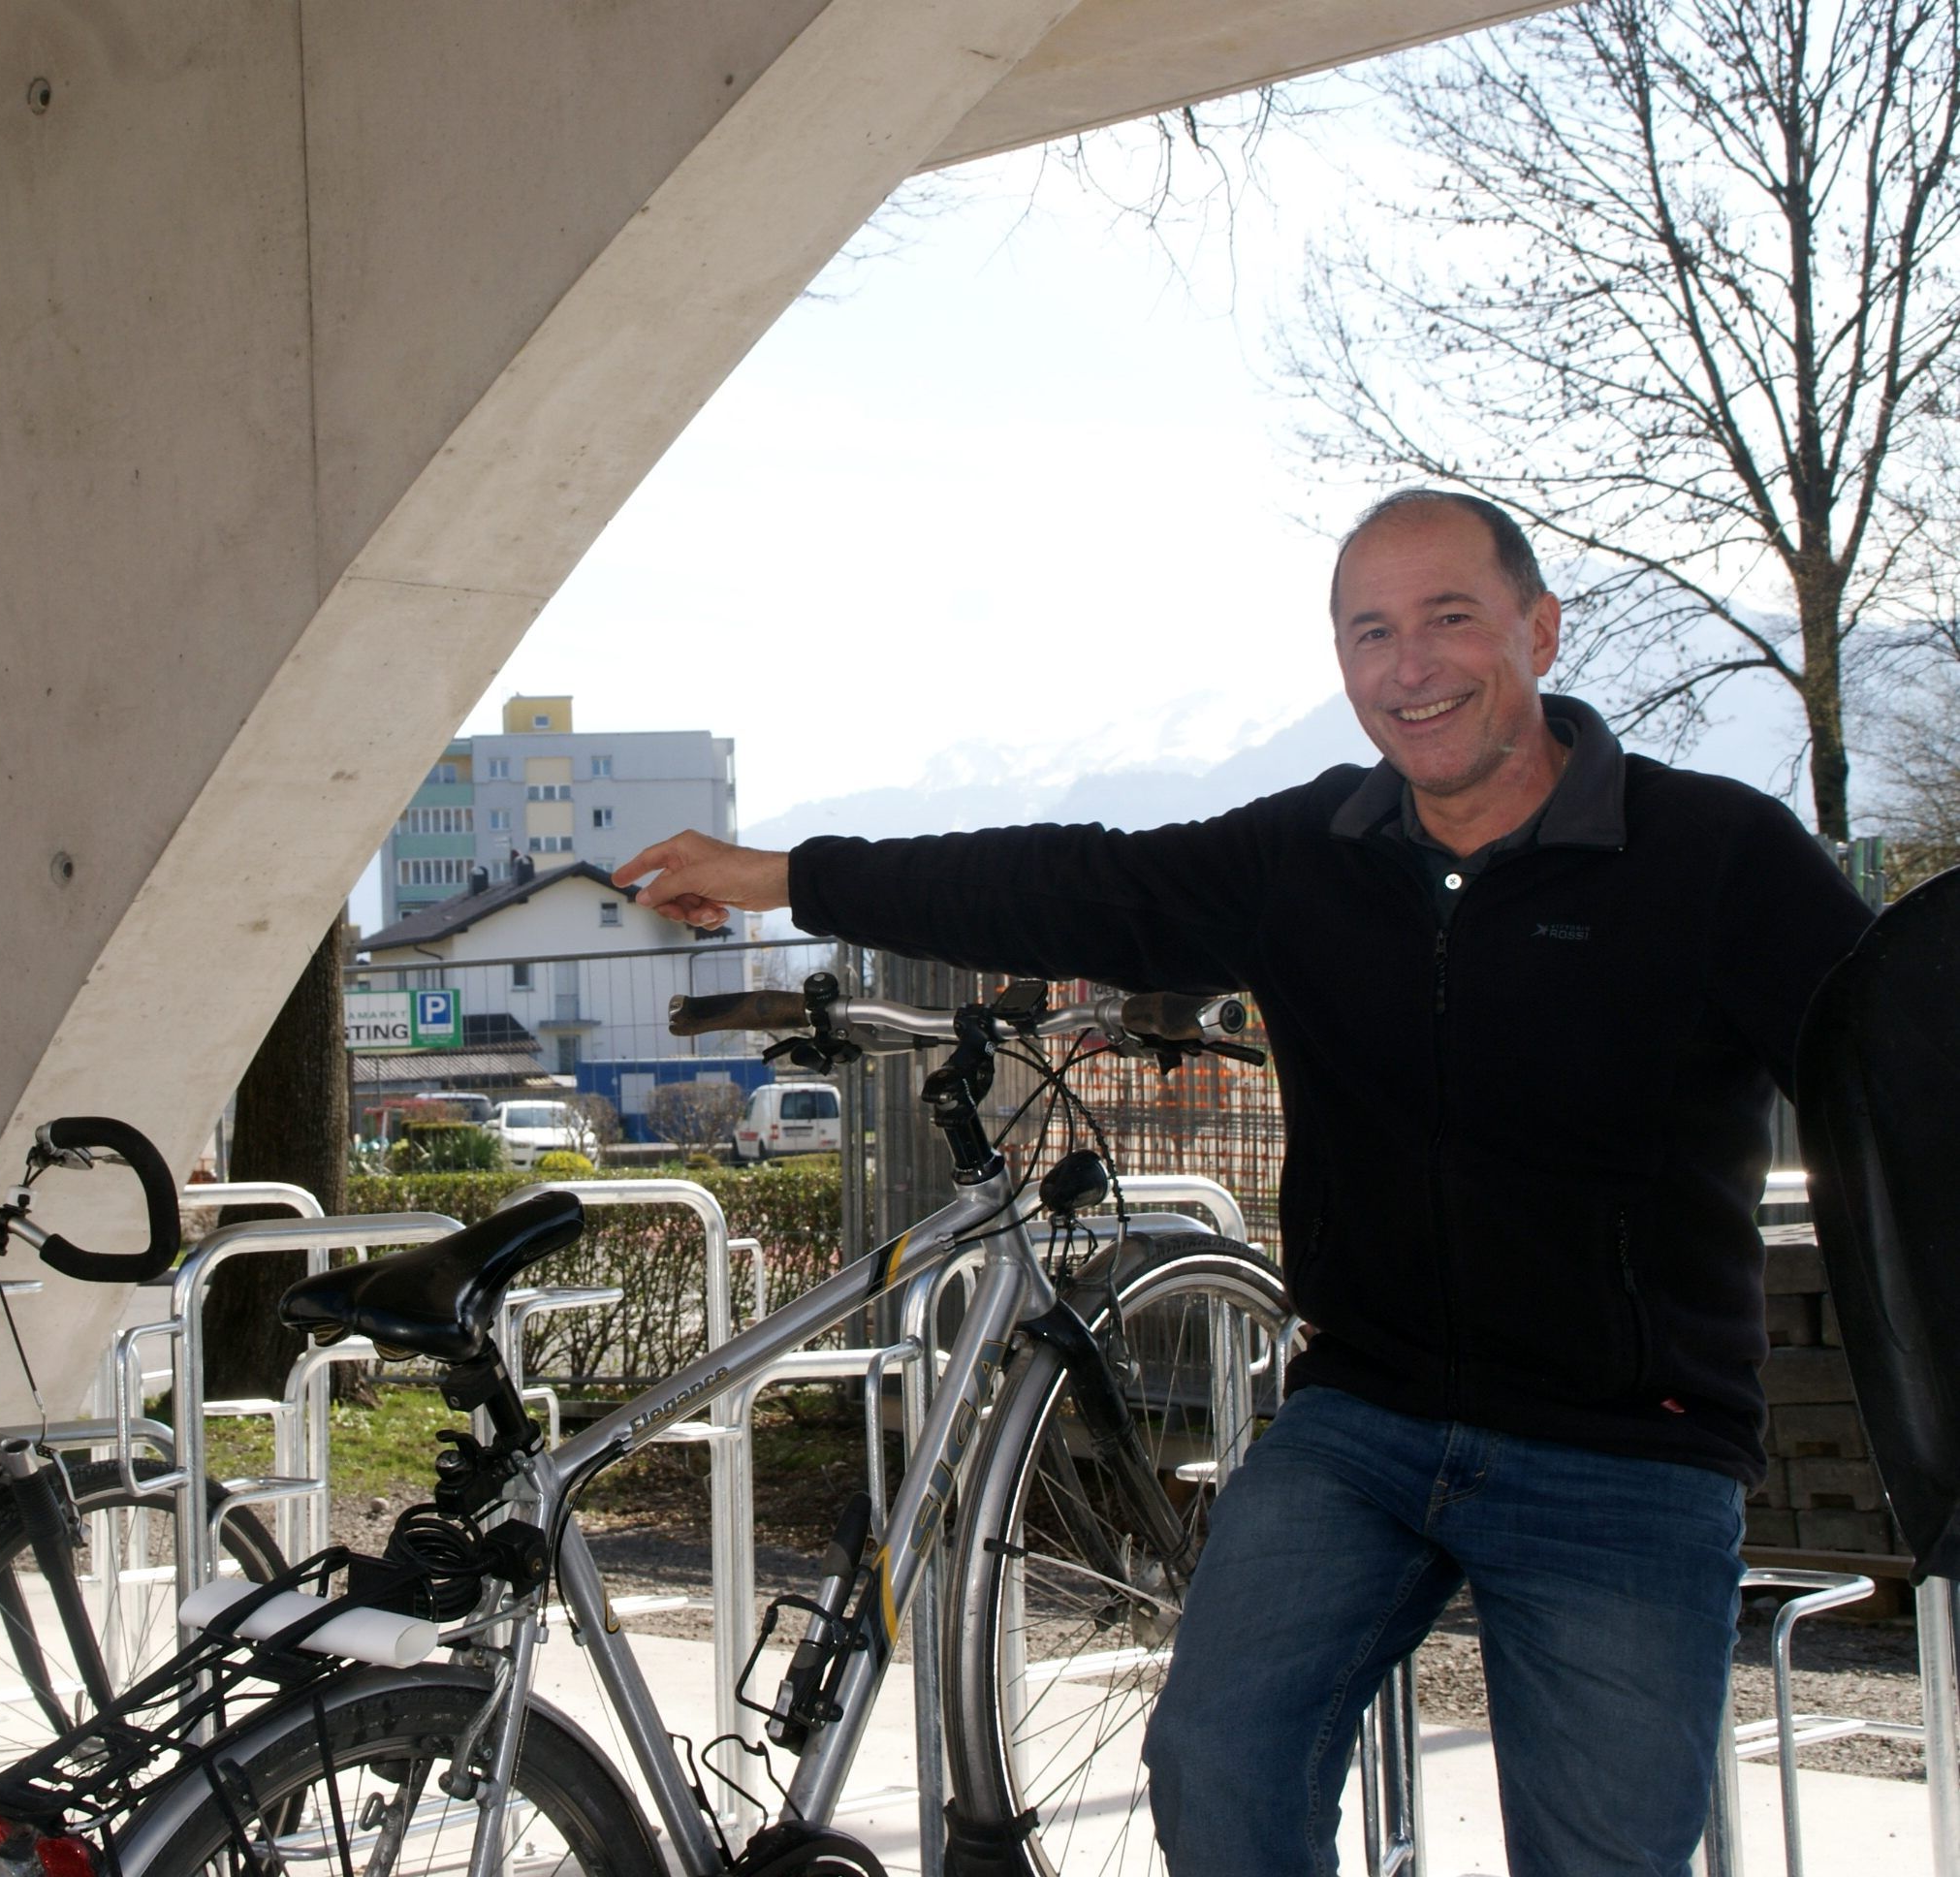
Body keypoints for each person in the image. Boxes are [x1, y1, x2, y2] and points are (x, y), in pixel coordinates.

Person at [612, 490, 1873, 1876]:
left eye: (1448, 617)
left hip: (1625, 1448)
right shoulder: (1309, 857)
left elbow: (1906, 1105)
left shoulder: (1715, 858)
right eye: (1368, 631)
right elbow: (1075, 885)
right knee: (1215, 1777)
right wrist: (793, 875)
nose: (1409, 666)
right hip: (1366, 1416)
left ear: (1539, 631)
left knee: (1598, 1858)